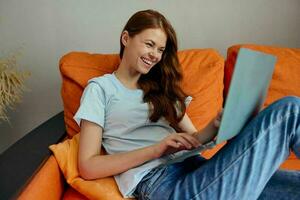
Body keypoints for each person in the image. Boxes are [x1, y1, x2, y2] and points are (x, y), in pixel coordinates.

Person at [74, 9, 300, 200]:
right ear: (126, 38)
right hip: (163, 184)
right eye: (149, 45)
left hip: (198, 169)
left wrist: (218, 124)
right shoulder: (100, 89)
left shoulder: (160, 90)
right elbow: (88, 166)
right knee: (290, 110)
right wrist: (156, 149)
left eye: (160, 50)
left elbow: (195, 140)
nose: (155, 55)